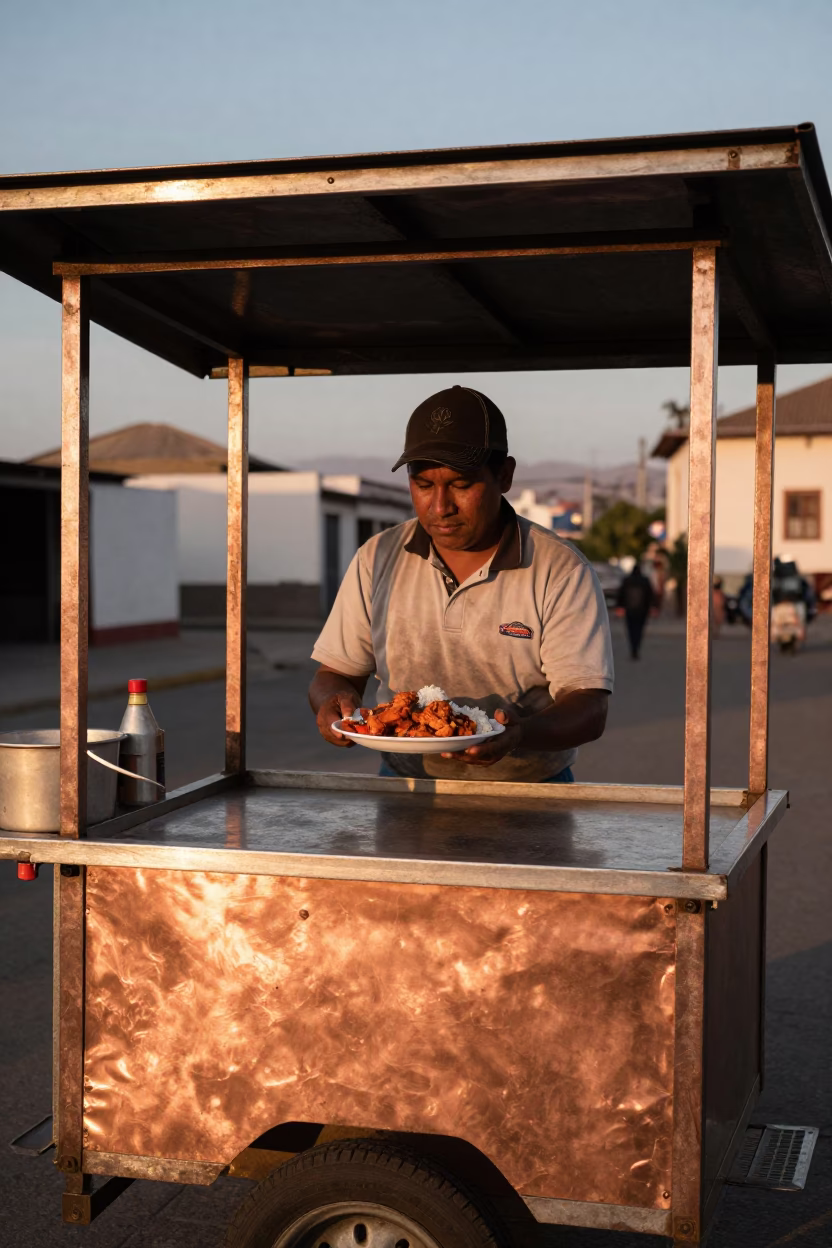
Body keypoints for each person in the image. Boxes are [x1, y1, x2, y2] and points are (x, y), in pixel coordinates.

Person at [308, 385, 614, 784]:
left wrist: (517, 734)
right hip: (405, 787)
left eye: (461, 484)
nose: (440, 507)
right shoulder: (378, 557)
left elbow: (589, 706)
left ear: (504, 475)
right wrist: (333, 704)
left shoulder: (560, 569)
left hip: (531, 794)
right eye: (423, 485)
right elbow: (336, 674)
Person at [616, 564, 655, 660]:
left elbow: (621, 594)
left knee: (631, 630)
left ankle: (633, 648)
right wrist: (652, 607)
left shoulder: (627, 580)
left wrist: (620, 607)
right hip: (642, 610)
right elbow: (650, 595)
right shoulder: (645, 581)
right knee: (639, 630)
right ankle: (636, 648)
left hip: (629, 610)